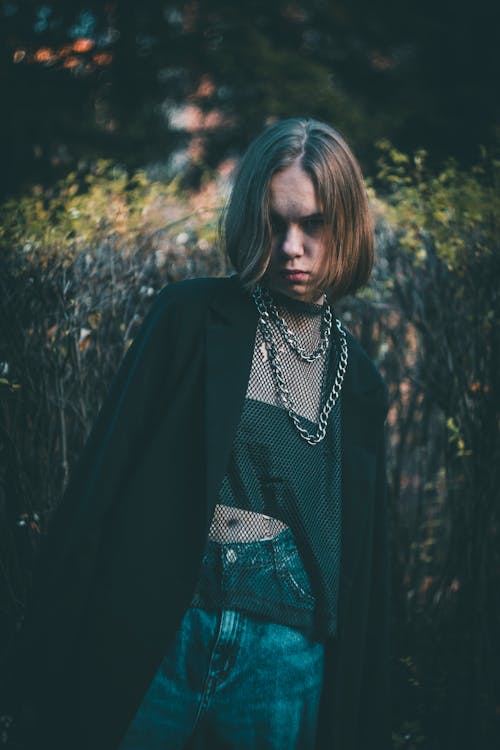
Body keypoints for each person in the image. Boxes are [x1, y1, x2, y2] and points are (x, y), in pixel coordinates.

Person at [5, 118, 391, 750]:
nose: (292, 246)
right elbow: (102, 484)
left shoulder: (362, 382)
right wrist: (43, 656)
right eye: (275, 223)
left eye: (313, 223)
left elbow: (364, 572)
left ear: (345, 224)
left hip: (283, 657)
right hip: (160, 625)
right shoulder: (189, 318)